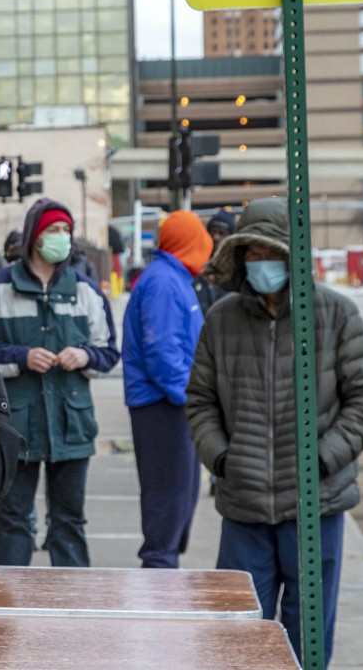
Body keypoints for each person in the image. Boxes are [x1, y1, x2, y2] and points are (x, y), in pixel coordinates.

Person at [186, 197, 363, 667]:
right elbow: (200, 401)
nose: (260, 264)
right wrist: (222, 458)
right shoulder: (222, 320)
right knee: (239, 637)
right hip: (244, 508)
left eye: (269, 253)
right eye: (250, 254)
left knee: (308, 638)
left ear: (291, 254)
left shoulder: (334, 314)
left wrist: (324, 456)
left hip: (316, 507)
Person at [0, 198, 119, 567]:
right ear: (34, 236)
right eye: (54, 230)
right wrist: (21, 358)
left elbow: (109, 351)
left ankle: (73, 606)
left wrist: (84, 356)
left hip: (72, 426)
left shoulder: (85, 290)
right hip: (17, 427)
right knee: (14, 521)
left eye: (66, 231)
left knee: (69, 522)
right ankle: (8, 608)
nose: (62, 238)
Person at [122, 210, 213, 569]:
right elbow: (162, 352)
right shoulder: (164, 282)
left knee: (177, 502)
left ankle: (163, 573)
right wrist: (192, 398)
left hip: (170, 402)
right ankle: (159, 584)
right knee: (168, 504)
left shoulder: (171, 277)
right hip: (163, 405)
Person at [193, 210, 237, 315]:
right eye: (212, 232)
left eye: (221, 233)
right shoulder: (197, 267)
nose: (215, 237)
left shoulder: (237, 271)